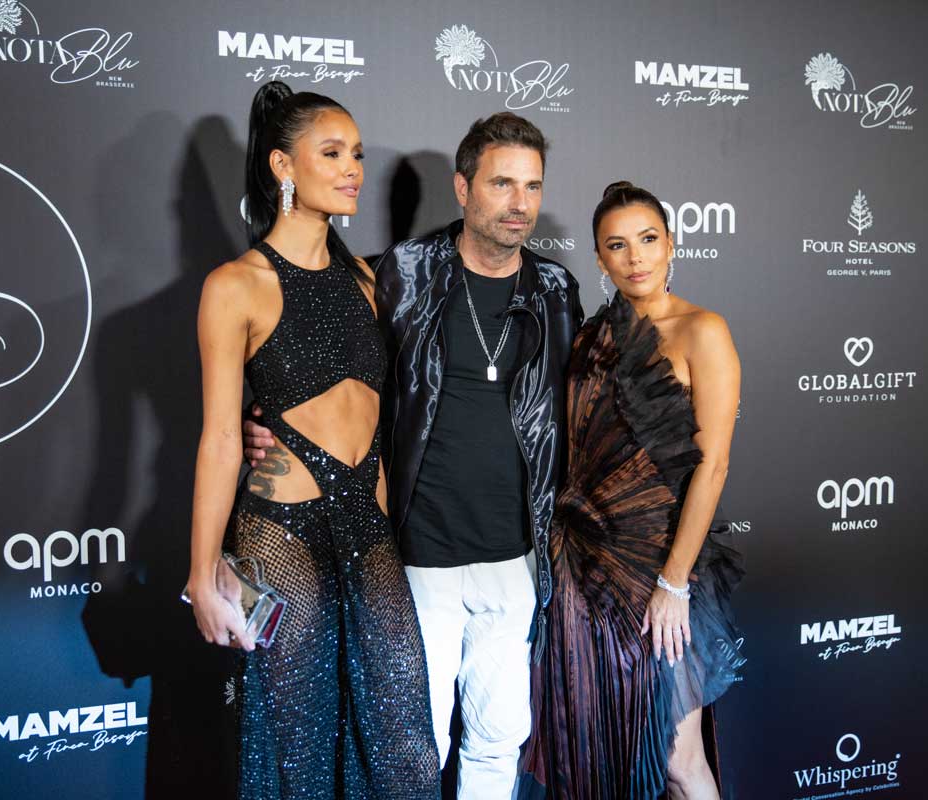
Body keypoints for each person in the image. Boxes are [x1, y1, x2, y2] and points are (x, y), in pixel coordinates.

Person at [246, 113, 582, 798]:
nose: (519, 203)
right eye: (502, 183)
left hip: (516, 557)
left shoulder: (555, 291)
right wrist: (266, 415)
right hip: (418, 556)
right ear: (463, 188)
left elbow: (581, 404)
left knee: (499, 740)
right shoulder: (403, 273)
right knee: (411, 748)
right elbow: (323, 351)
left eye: (532, 186)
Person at [186, 80, 440, 799]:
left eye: (356, 153)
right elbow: (220, 440)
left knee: (404, 742)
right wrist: (202, 572)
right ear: (283, 166)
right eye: (331, 153)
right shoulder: (236, 285)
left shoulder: (365, 279)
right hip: (282, 532)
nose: (352, 168)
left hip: (367, 525)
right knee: (297, 744)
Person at [521, 182, 745, 800]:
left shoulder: (703, 330)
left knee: (678, 760)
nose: (635, 257)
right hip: (582, 569)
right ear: (599, 257)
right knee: (603, 753)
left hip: (659, 567)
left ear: (671, 244)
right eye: (616, 245)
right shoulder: (591, 336)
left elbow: (713, 465)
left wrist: (674, 582)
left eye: (648, 239)